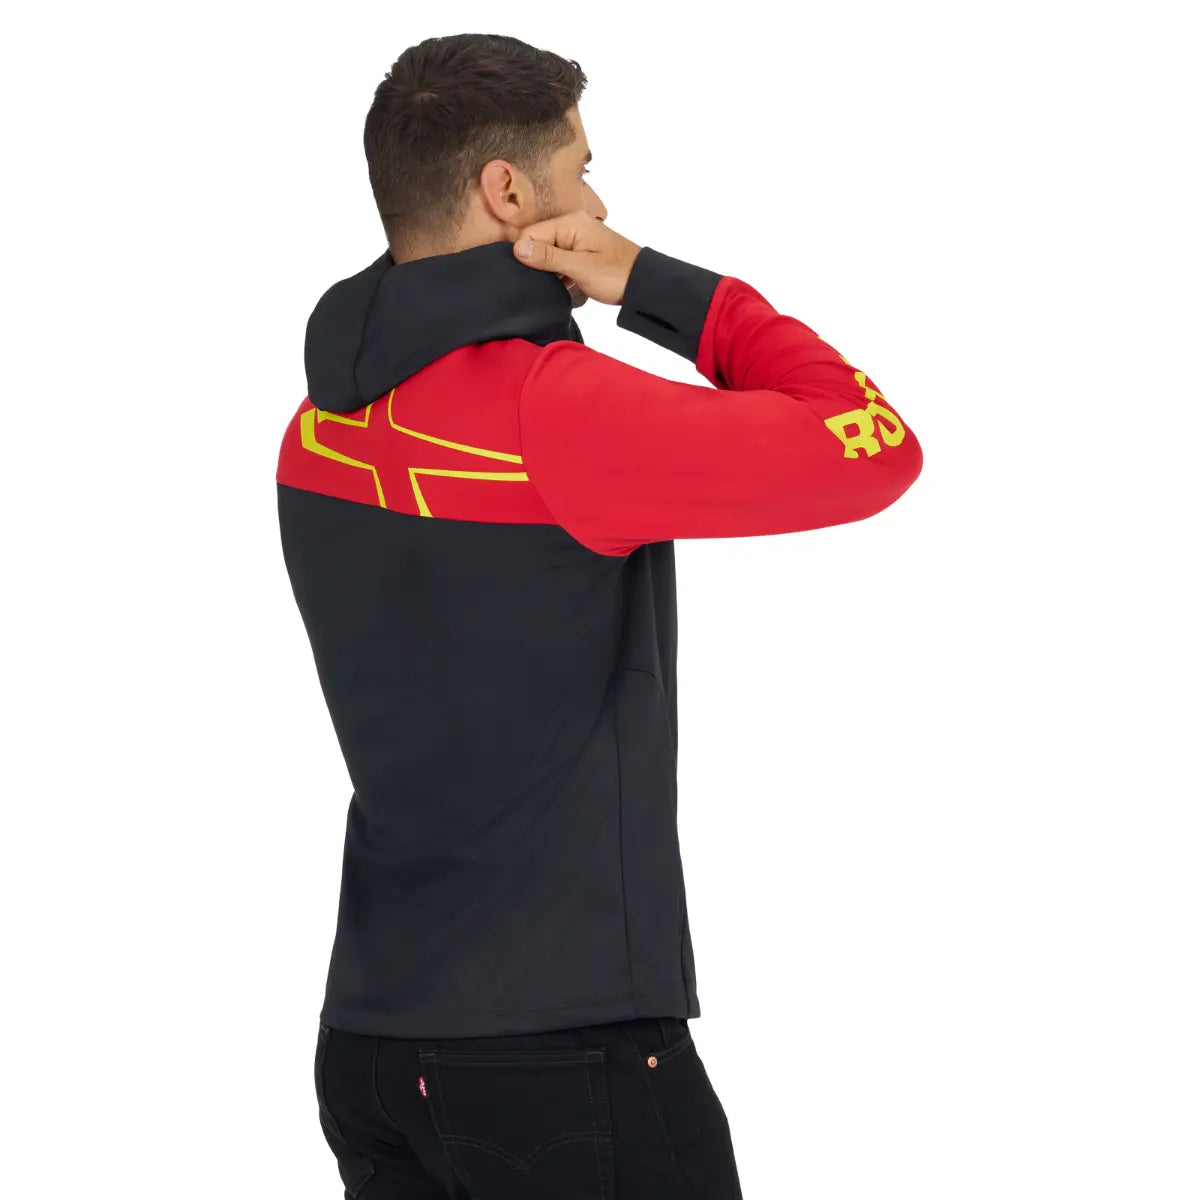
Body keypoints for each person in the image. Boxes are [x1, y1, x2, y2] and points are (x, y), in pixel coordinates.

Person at [277, 31, 923, 1200]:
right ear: (507, 192)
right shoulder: (558, 415)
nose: (600, 204)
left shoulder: (316, 425)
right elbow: (872, 445)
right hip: (559, 1062)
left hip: (370, 1047)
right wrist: (661, 285)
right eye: (580, 170)